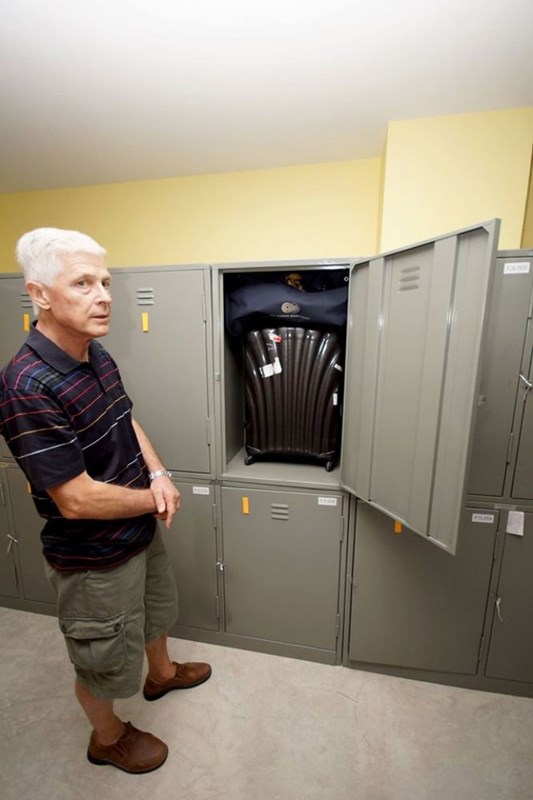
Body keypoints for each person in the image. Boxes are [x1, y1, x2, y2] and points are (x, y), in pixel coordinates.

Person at [0, 228, 212, 774]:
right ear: (40, 294)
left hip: (137, 526)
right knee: (101, 659)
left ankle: (161, 676)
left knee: (156, 613)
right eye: (84, 282)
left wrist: (159, 473)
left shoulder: (95, 353)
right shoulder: (27, 385)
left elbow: (125, 416)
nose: (104, 295)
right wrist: (151, 499)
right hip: (93, 557)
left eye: (106, 282)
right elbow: (75, 500)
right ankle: (107, 737)